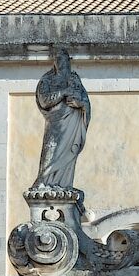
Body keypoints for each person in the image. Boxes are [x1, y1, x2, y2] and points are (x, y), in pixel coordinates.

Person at [34, 49, 91, 189]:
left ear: (68, 61)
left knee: (69, 155)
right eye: (57, 59)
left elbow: (85, 101)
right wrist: (64, 92)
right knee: (50, 151)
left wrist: (81, 104)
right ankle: (44, 181)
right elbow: (44, 100)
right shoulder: (47, 79)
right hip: (55, 124)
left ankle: (64, 185)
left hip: (71, 125)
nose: (59, 62)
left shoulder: (74, 78)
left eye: (62, 59)